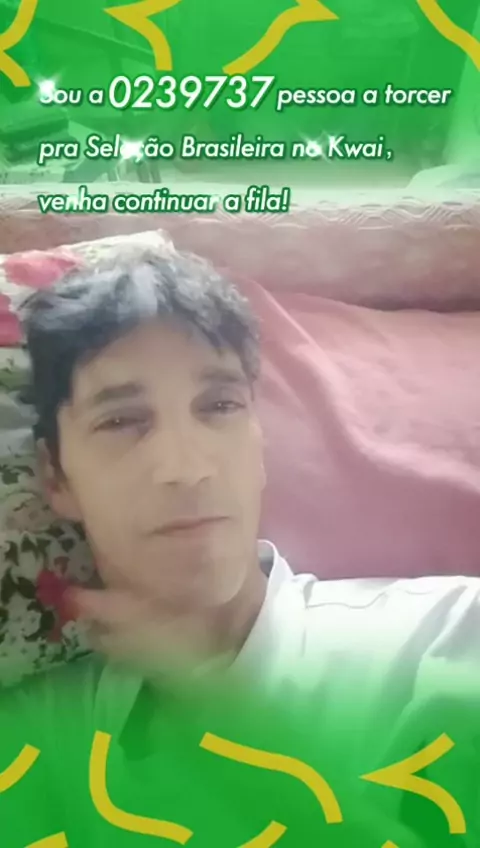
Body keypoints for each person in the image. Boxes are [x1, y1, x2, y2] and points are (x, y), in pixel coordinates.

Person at [2, 244, 479, 846]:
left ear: (259, 443)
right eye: (120, 421)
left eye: (220, 406)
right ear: (56, 479)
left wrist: (222, 719)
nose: (186, 468)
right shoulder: (33, 738)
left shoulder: (449, 642)